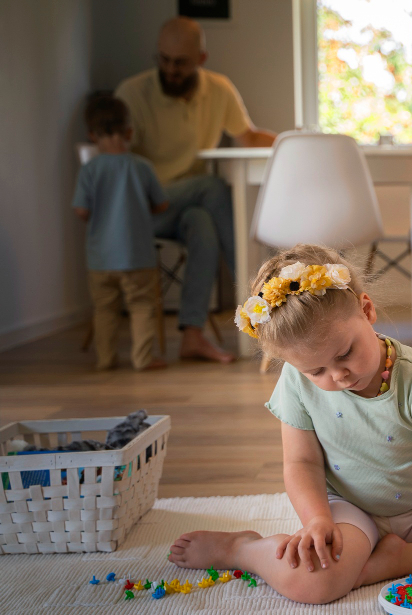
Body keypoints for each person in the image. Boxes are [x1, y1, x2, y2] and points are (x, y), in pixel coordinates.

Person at [167, 244, 412, 603]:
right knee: (313, 584)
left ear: (367, 310)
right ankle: (244, 549)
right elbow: (301, 464)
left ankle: (399, 559)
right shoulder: (296, 380)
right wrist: (318, 520)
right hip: (347, 511)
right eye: (316, 370)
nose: (337, 376)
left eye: (345, 353)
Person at [115, 17, 276, 364]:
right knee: (214, 188)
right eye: (164, 59)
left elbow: (247, 136)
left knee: (203, 222)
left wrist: (296, 142)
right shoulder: (131, 94)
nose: (170, 69)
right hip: (142, 207)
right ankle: (263, 302)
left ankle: (192, 335)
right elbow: (117, 170)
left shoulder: (218, 89)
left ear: (201, 59)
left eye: (180, 62)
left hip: (188, 205)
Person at [72, 94, 169, 372]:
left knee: (104, 309)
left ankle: (105, 359)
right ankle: (143, 358)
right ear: (129, 132)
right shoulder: (141, 167)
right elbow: (161, 203)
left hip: (100, 258)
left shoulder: (90, 170)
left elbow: (80, 210)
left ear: (92, 134)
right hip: (138, 255)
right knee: (141, 306)